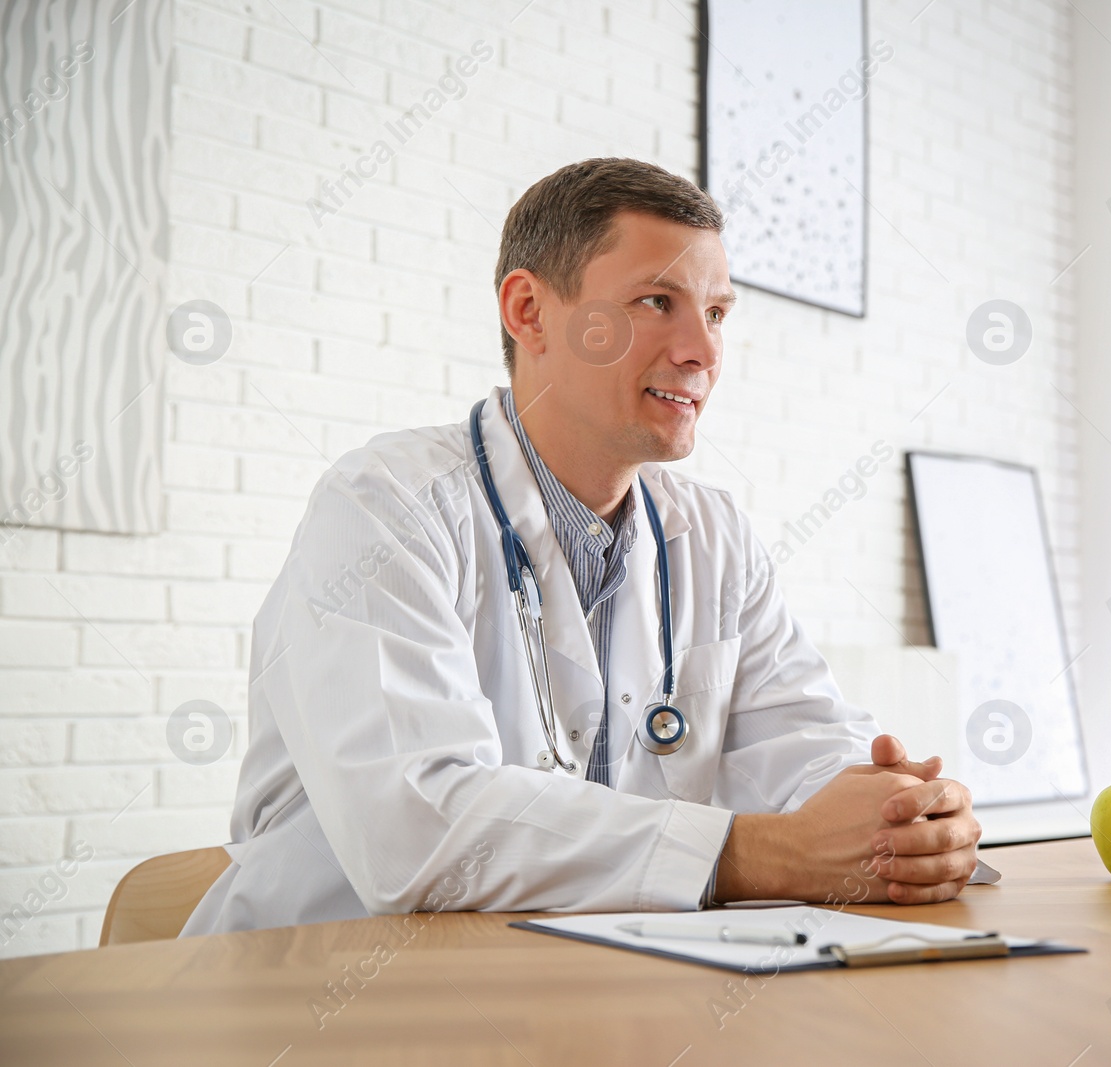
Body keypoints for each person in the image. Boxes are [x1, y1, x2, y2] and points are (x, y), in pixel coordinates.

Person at [182, 158, 980, 935]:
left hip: (583, 995)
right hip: (332, 1001)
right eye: (656, 300)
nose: (702, 350)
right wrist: (759, 852)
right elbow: (418, 830)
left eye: (718, 312)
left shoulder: (713, 538)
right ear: (529, 311)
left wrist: (897, 818)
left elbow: (803, 744)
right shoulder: (384, 508)